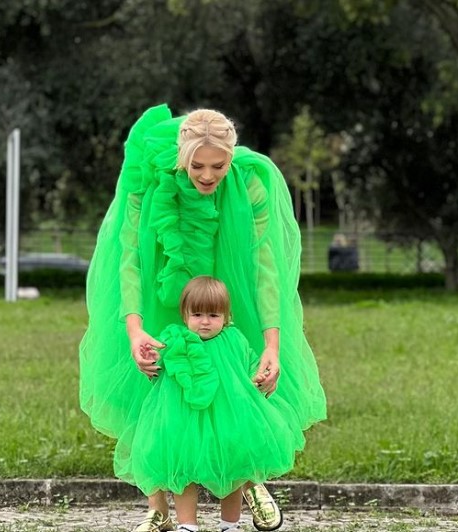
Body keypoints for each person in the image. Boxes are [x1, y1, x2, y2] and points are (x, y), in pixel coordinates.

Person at [79, 103, 327, 532]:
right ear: (183, 156)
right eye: (197, 166)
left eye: (219, 165)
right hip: (164, 288)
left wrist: (272, 343)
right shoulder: (149, 182)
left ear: (232, 156)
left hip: (229, 292)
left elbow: (267, 269)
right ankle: (158, 507)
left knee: (239, 389)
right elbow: (130, 258)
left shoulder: (250, 183)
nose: (209, 175)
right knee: (155, 393)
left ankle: (250, 479)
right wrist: (135, 327)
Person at [114, 276, 305, 532]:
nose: (205, 321)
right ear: (185, 315)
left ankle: (230, 524)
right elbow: (160, 373)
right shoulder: (173, 340)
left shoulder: (234, 340)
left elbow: (249, 364)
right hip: (182, 419)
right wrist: (153, 360)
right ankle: (187, 525)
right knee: (182, 469)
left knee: (232, 468)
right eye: (198, 314)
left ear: (226, 317)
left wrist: (257, 377)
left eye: (214, 315)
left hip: (228, 418)